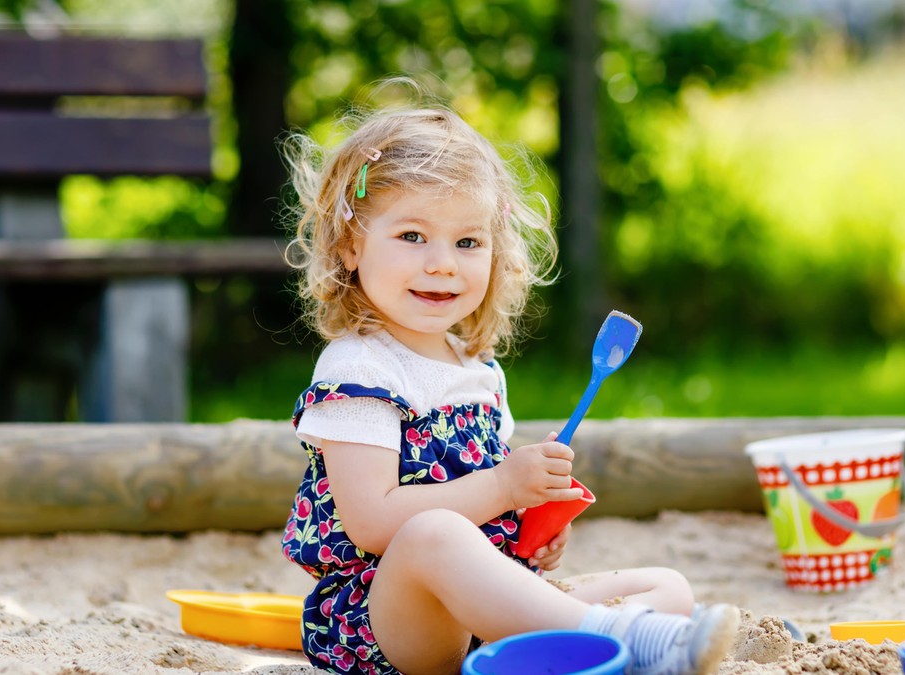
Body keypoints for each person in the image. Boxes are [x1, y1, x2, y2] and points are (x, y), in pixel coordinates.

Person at [280, 99, 740, 675]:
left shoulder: (475, 366)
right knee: (432, 536)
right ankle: (617, 640)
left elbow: (489, 515)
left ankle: (587, 643)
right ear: (351, 246)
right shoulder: (360, 368)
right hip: (390, 624)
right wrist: (501, 486)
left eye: (468, 243)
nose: (443, 264)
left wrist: (530, 527)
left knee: (667, 587)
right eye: (413, 235)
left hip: (480, 615)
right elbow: (374, 523)